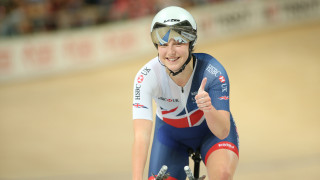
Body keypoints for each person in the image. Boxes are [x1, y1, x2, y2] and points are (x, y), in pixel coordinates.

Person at [132, 6, 239, 180]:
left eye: (179, 43)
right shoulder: (146, 76)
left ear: (191, 44)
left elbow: (222, 132)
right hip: (170, 138)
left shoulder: (212, 71)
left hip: (211, 133)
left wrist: (208, 108)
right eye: (164, 44)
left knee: (223, 175)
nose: (171, 51)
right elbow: (141, 135)